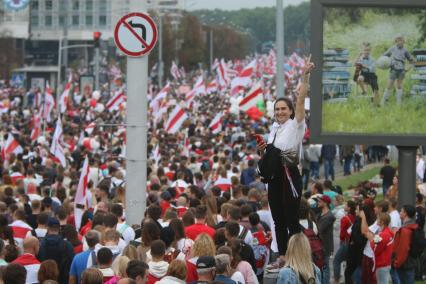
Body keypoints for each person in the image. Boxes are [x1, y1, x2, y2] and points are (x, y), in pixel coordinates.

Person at [256, 56, 314, 263]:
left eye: (283, 109)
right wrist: (262, 152)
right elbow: (270, 158)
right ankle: (283, 256)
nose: (280, 112)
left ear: (290, 112)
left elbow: (300, 100)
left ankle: (299, 256)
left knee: (291, 218)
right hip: (274, 177)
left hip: (289, 173)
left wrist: (305, 76)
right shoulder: (273, 129)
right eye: (277, 109)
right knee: (277, 220)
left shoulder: (295, 124)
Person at [381, 34, 415, 105]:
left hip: (401, 70)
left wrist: (408, 68)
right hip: (393, 69)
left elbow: (411, 60)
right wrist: (384, 61)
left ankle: (398, 102)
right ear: (395, 41)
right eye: (398, 40)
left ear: (403, 41)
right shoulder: (392, 48)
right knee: (389, 84)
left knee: (399, 85)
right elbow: (384, 55)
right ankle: (384, 101)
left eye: (401, 40)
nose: (399, 42)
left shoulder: (405, 50)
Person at [391, 205, 418, 284]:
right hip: (409, 262)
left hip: (404, 264)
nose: (400, 212)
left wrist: (396, 263)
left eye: (401, 211)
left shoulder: (405, 230)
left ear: (405, 213)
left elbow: (403, 249)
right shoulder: (413, 226)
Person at [316, 195, 335, 284]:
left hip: (326, 246)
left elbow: (319, 229)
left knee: (326, 268)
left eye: (320, 201)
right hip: (319, 245)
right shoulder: (320, 214)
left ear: (325, 203)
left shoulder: (329, 216)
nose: (318, 202)